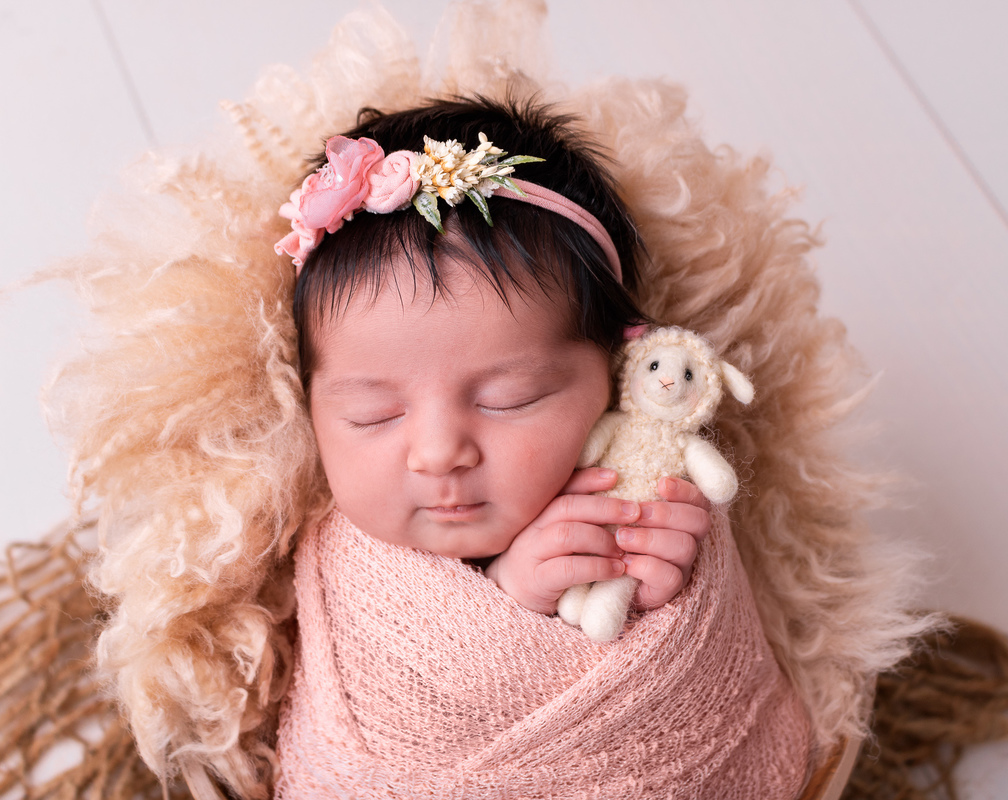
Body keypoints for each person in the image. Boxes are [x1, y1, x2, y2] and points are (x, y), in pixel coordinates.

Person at [269, 96, 813, 799]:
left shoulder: (641, 479)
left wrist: (652, 577)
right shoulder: (343, 564)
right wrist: (511, 595)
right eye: (372, 414)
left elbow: (704, 672)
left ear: (618, 372)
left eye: (509, 399)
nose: (438, 454)